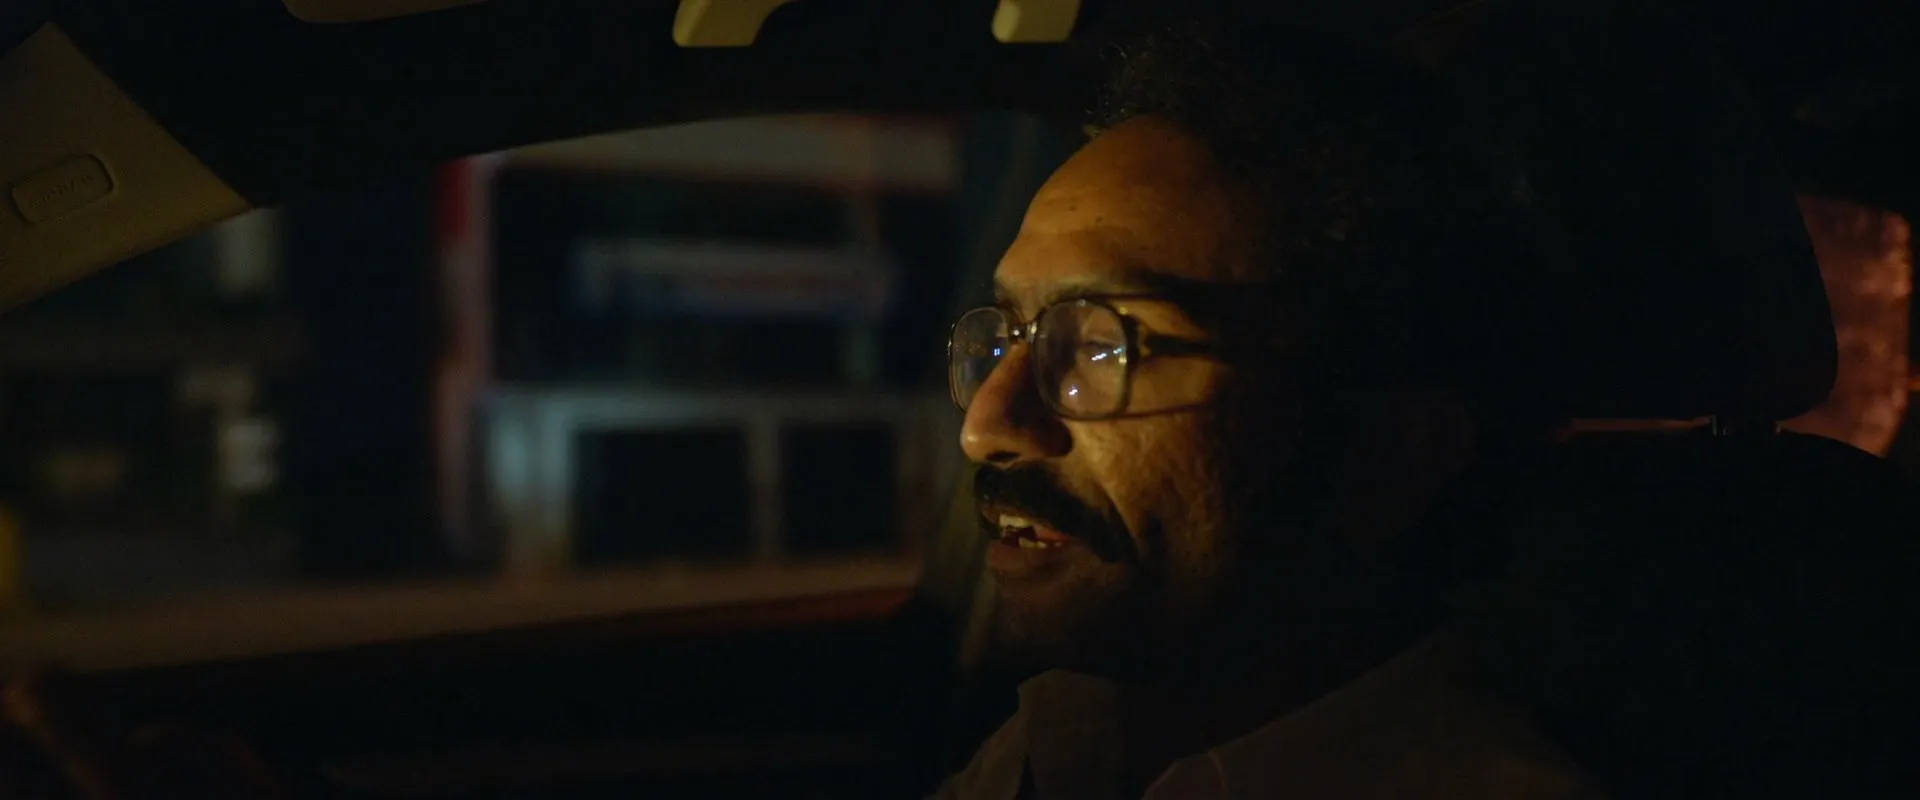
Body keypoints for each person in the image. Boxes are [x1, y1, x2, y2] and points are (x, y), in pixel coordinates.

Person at [931, 14, 1600, 800]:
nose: (986, 427)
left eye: (1103, 347)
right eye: (1010, 332)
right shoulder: (1065, 737)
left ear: (1389, 458)